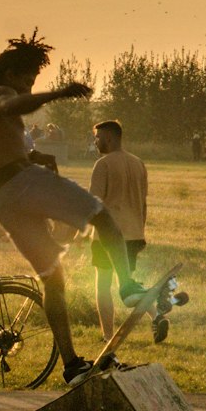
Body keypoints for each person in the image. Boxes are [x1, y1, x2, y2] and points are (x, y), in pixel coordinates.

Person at [0, 32, 143, 384]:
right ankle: (128, 287)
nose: (30, 88)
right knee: (101, 215)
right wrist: (60, 93)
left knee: (53, 277)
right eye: (29, 80)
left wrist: (33, 155)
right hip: (21, 182)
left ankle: (71, 365)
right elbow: (11, 106)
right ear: (11, 74)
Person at [88, 120, 149, 339]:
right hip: (134, 234)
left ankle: (107, 336)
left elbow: (93, 203)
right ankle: (155, 314)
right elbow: (143, 203)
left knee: (103, 286)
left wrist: (80, 231)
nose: (95, 142)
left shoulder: (103, 164)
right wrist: (140, 231)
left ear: (109, 138)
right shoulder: (138, 163)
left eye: (97, 137)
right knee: (127, 285)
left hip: (108, 235)